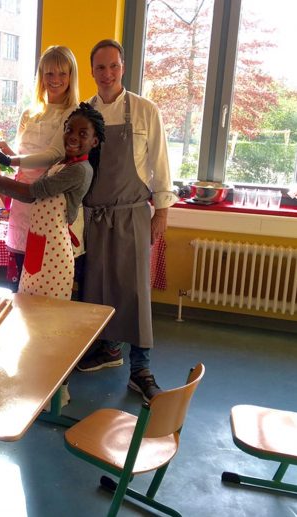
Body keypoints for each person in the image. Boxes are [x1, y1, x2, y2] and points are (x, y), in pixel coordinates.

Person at [74, 39, 178, 402]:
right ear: (92, 71)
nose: (108, 74)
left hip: (133, 212)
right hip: (93, 216)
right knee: (95, 287)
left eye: (114, 66)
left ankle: (140, 368)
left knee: (135, 291)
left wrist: (161, 211)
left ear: (123, 67)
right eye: (100, 67)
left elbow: (161, 163)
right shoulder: (83, 113)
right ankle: (108, 349)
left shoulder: (145, 110)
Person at [0, 102, 103, 300]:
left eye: (82, 134)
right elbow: (30, 192)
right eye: (69, 130)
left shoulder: (79, 170)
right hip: (38, 243)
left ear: (94, 141)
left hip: (55, 252)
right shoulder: (61, 163)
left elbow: (32, 192)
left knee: (46, 311)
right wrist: (3, 164)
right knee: (28, 304)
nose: (73, 136)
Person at [0, 46, 81, 289]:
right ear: (41, 76)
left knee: (43, 277)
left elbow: (53, 155)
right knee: (20, 275)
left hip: (49, 199)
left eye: (62, 73)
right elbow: (21, 160)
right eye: (49, 73)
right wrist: (3, 152)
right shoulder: (29, 113)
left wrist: (10, 161)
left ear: (71, 76)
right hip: (21, 201)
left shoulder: (74, 112)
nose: (55, 79)